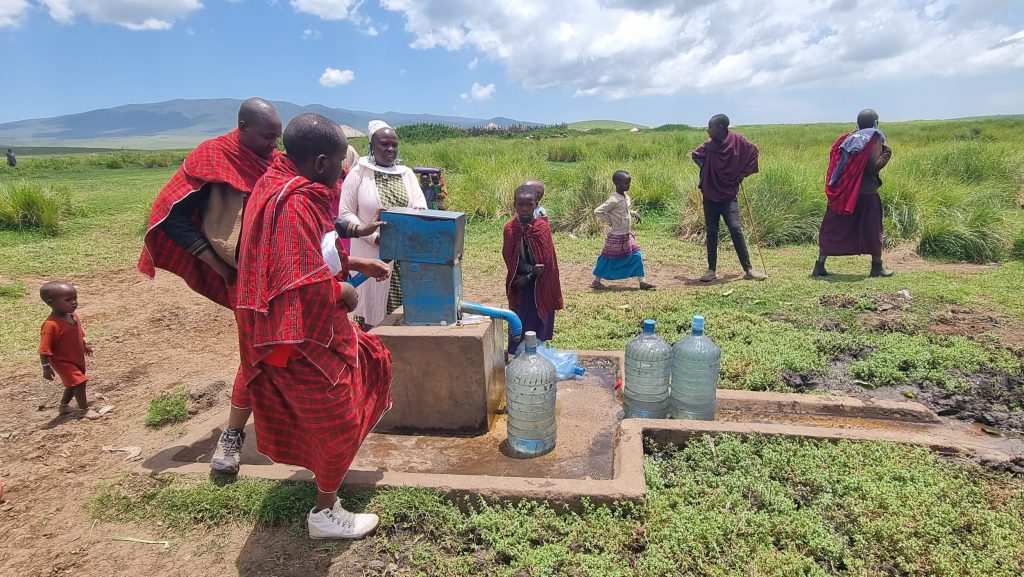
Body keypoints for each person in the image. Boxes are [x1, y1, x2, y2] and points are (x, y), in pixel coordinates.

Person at [235, 112, 392, 540]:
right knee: (338, 421)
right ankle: (325, 513)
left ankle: (326, 474)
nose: (343, 171)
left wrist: (355, 262)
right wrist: (342, 292)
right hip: (301, 334)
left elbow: (314, 251)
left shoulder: (277, 184)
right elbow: (295, 279)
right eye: (340, 162)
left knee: (373, 359)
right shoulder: (295, 200)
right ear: (321, 162)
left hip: (308, 329)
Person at [137, 97, 282, 475]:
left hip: (286, 275)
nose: (273, 145)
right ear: (243, 127)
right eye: (267, 136)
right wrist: (217, 264)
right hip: (246, 277)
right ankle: (233, 436)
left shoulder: (272, 158)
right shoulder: (213, 157)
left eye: (277, 137)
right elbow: (170, 216)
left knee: (293, 350)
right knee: (255, 356)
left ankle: (290, 427)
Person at [339, 120, 427, 328]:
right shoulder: (359, 173)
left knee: (404, 310)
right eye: (384, 144)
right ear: (372, 146)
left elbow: (420, 206)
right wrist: (374, 236)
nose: (390, 149)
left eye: (394, 145)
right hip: (371, 253)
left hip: (404, 254)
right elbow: (345, 213)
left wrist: (407, 233)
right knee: (374, 312)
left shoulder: (406, 174)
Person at [813, 109, 894, 278]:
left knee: (834, 226)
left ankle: (819, 265)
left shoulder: (848, 138)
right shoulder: (874, 137)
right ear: (875, 123)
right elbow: (873, 166)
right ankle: (877, 267)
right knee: (873, 229)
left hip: (845, 191)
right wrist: (887, 153)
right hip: (866, 192)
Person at [690, 114, 767, 282]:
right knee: (712, 231)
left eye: (711, 127)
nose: (708, 130)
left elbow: (754, 152)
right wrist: (708, 170)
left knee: (734, 228)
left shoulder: (738, 141)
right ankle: (711, 270)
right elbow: (695, 155)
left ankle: (749, 269)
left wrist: (741, 174)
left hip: (728, 194)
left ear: (721, 128)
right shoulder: (709, 146)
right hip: (710, 192)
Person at [502, 183, 564, 354]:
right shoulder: (510, 229)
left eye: (529, 205)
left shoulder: (541, 228)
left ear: (536, 205)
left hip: (541, 282)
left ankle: (537, 351)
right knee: (519, 318)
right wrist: (527, 271)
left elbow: (545, 262)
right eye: (520, 205)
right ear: (514, 205)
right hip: (520, 281)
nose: (524, 209)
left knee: (538, 318)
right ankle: (516, 353)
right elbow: (510, 258)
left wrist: (531, 275)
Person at [38, 281, 101, 420]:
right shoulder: (50, 326)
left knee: (73, 384)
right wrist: (46, 367)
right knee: (79, 382)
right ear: (51, 303)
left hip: (76, 357)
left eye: (75, 298)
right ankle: (84, 410)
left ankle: (64, 407)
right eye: (68, 300)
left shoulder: (73, 316)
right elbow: (43, 349)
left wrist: (84, 345)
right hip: (62, 361)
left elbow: (77, 334)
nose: (74, 303)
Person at [592, 170, 655, 291]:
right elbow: (598, 211)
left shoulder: (626, 198)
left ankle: (642, 282)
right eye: (626, 183)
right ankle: (596, 281)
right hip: (616, 235)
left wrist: (633, 213)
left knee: (637, 255)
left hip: (627, 235)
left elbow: (623, 211)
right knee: (606, 258)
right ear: (617, 183)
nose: (628, 185)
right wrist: (611, 220)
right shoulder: (613, 200)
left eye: (629, 183)